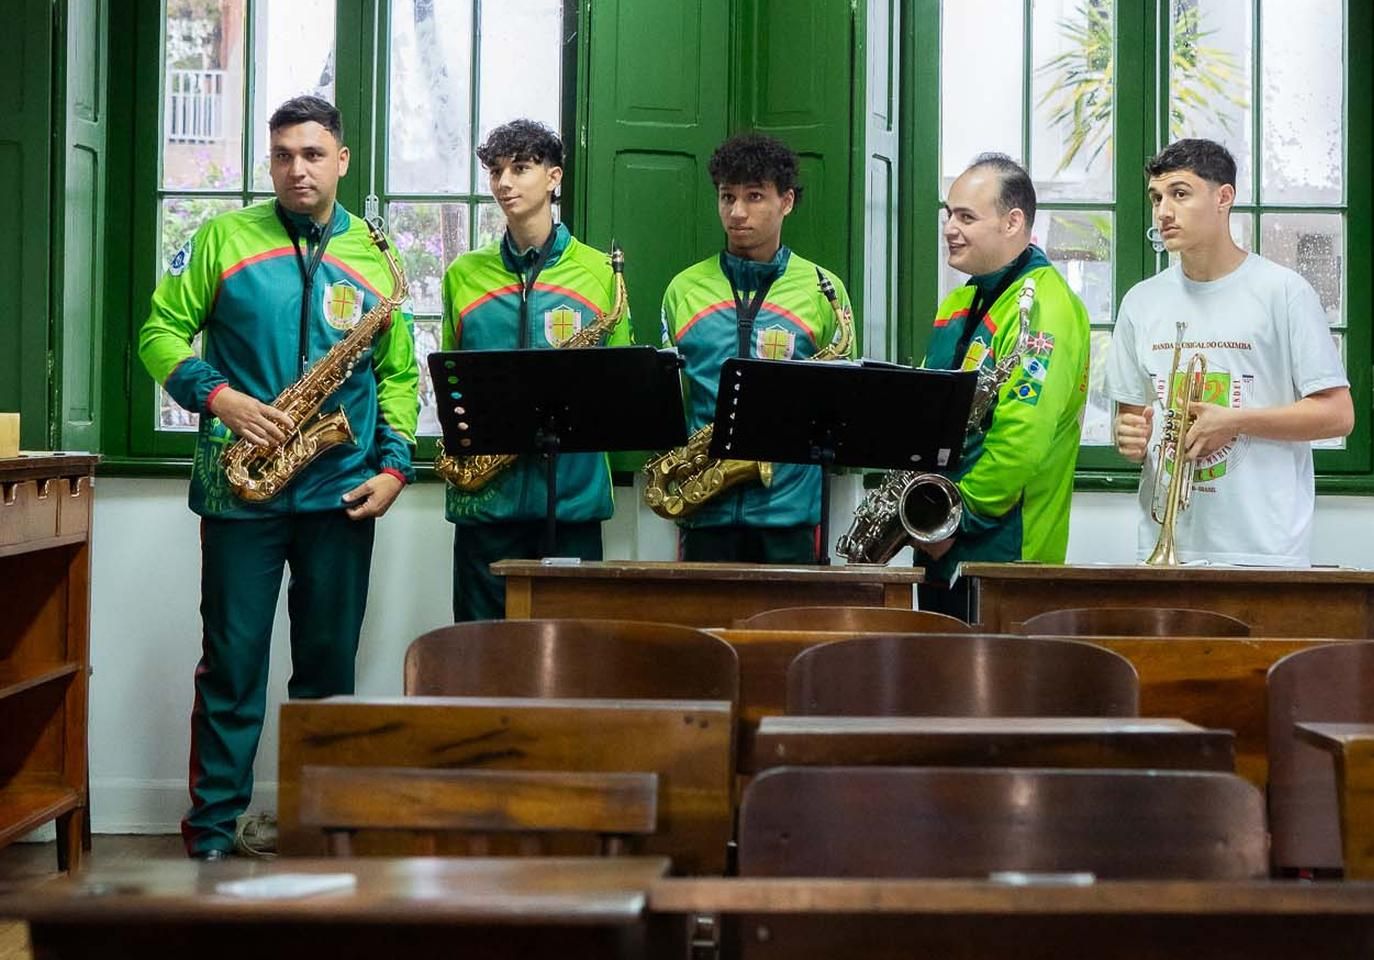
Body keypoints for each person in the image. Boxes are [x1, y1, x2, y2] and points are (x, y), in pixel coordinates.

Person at [138, 95, 419, 859]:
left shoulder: (376, 255)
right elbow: (157, 333)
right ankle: (212, 835)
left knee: (328, 671)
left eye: (313, 154)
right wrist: (220, 398)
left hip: (342, 491)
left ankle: (317, 827)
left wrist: (397, 469)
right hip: (239, 491)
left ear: (342, 160)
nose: (298, 169)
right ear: (270, 161)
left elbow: (396, 375)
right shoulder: (223, 238)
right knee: (232, 664)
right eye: (284, 155)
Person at [1105, 138, 1353, 566]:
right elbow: (1131, 417)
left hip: (1262, 545)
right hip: (1165, 542)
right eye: (1157, 197)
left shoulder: (1283, 292)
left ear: (1224, 198)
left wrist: (1235, 421)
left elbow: (1338, 414)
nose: (1164, 211)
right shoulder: (1140, 302)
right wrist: (1126, 435)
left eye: (1180, 194)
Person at [440, 119, 632, 621]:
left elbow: (623, 386)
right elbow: (451, 384)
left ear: (554, 177)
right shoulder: (462, 275)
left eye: (521, 169)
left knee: (571, 664)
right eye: (497, 171)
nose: (505, 183)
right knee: (479, 661)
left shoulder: (599, 274)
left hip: (571, 504)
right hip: (485, 504)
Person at [660, 133, 857, 564]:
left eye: (754, 196)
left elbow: (842, 406)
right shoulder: (683, 289)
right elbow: (669, 401)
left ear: (786, 201)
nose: (736, 212)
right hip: (704, 509)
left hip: (790, 513)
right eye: (726, 196)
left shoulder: (825, 291)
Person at [913, 153, 1091, 618]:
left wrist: (953, 520)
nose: (950, 227)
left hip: (1001, 551)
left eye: (967, 217)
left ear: (1013, 223)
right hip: (941, 536)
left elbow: (1021, 440)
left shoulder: (1046, 307)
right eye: (949, 213)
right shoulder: (959, 299)